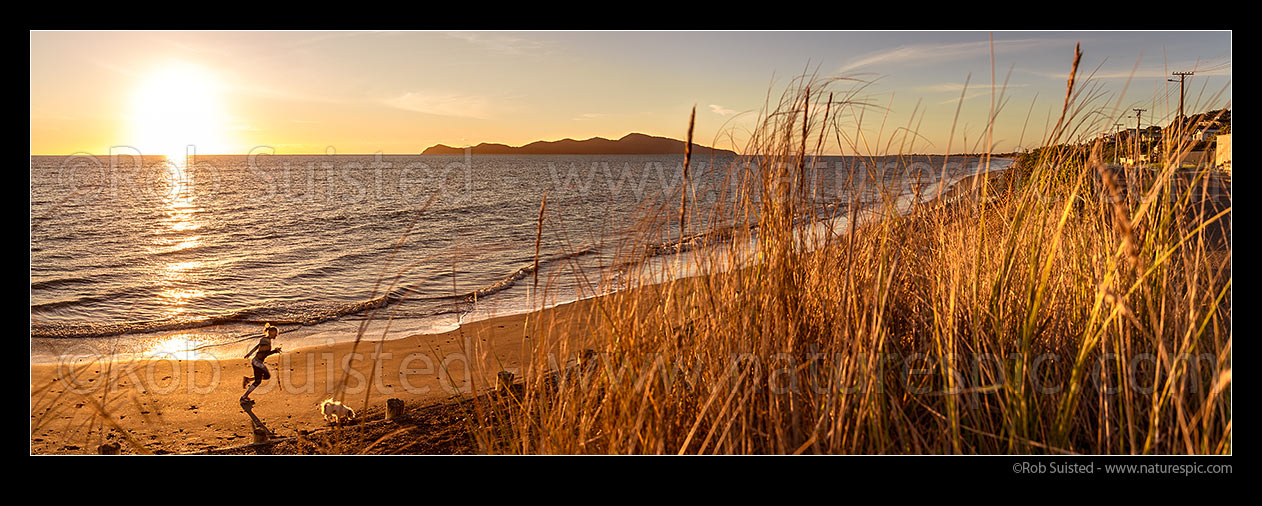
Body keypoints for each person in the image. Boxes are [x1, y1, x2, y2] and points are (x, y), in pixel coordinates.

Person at [241, 323, 282, 403]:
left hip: (256, 361)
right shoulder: (266, 341)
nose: (276, 336)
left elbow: (257, 347)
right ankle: (244, 397)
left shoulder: (265, 339)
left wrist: (249, 354)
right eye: (276, 334)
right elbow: (264, 353)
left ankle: (248, 379)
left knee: (265, 376)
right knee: (260, 380)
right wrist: (274, 351)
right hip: (258, 362)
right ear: (272, 333)